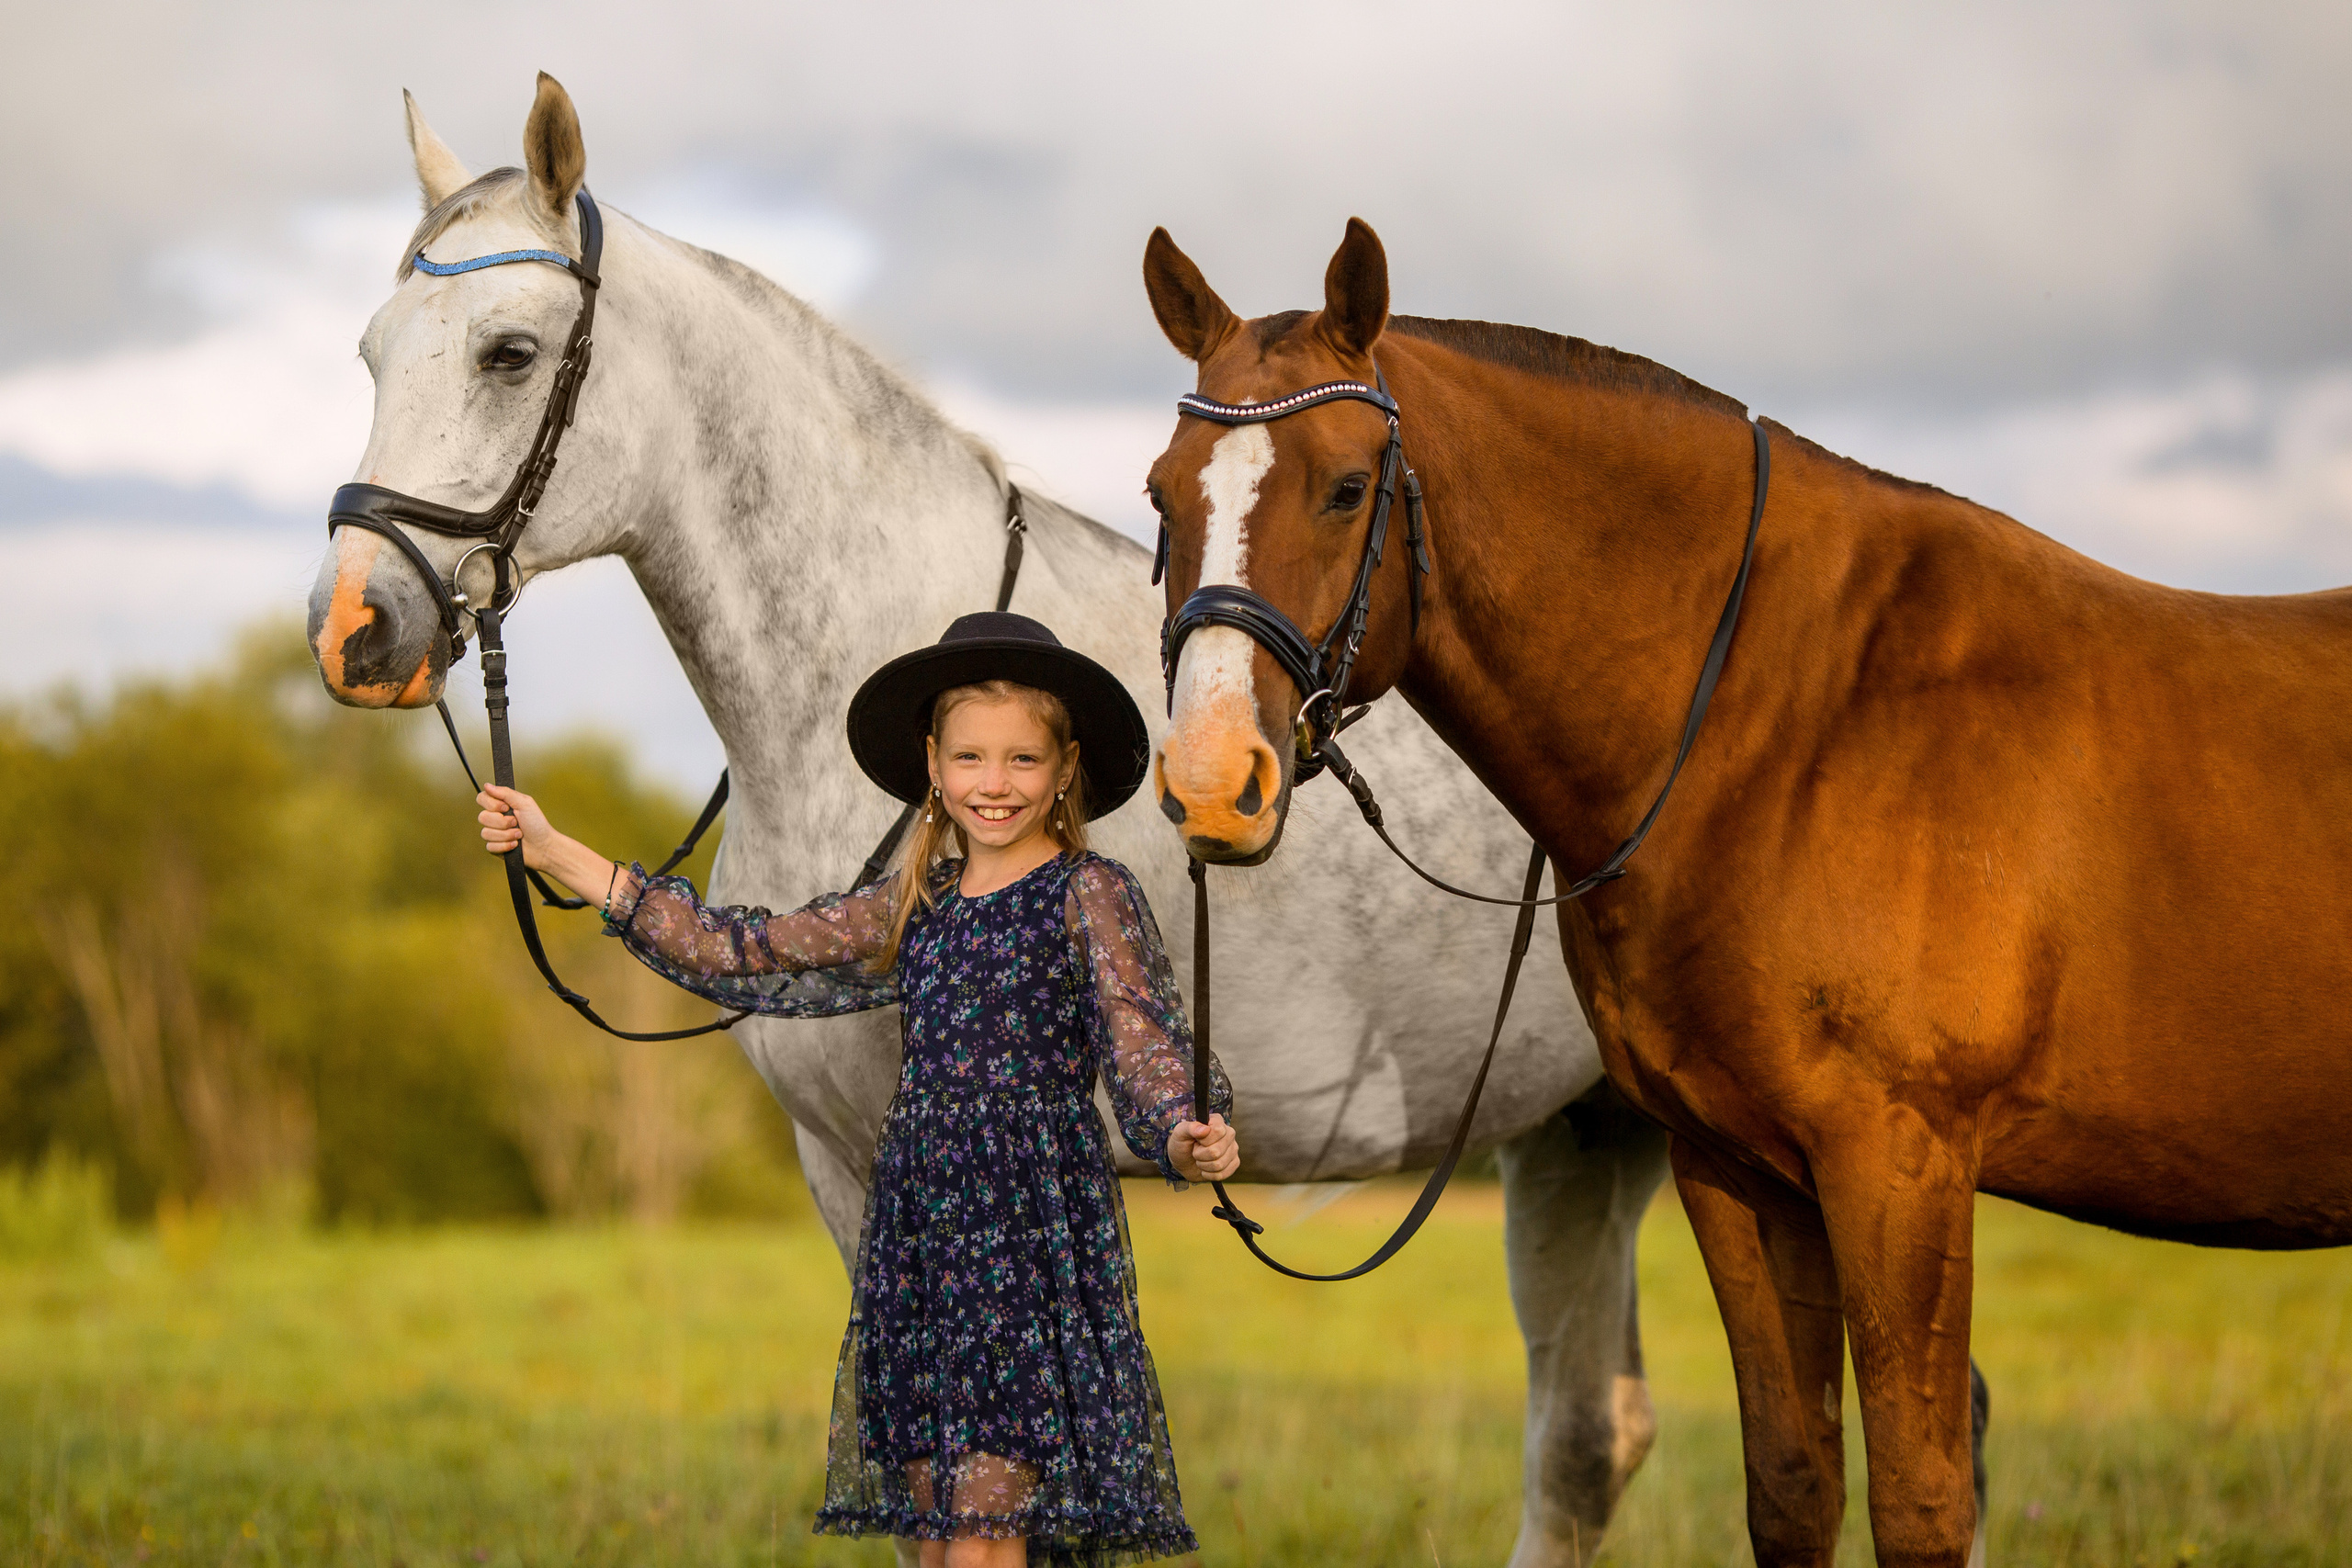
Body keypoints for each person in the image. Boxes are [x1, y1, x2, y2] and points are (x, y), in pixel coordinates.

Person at [475, 612, 1237, 1568]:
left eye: (1021, 759)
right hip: (920, 1240)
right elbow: (734, 949)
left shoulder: (1089, 892)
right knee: (934, 1538)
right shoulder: (915, 904)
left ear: (1065, 767)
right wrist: (559, 854)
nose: (994, 783)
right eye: (969, 757)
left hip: (1026, 1239)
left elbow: (1143, 1040)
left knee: (984, 1534)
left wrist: (1182, 1131)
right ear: (933, 766)